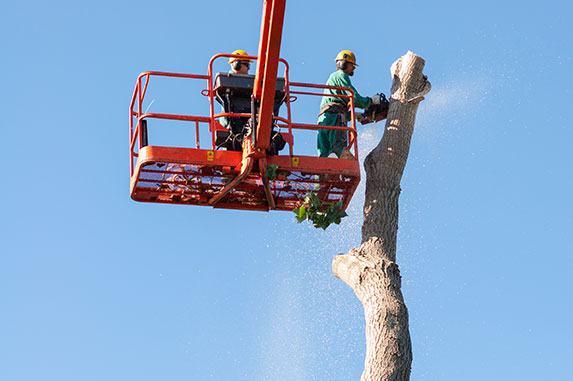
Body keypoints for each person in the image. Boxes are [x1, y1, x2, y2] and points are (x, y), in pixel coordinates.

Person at [317, 50, 382, 158]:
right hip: (335, 117)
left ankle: (321, 175)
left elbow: (335, 107)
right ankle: (334, 169)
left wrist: (355, 115)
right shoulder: (341, 75)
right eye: (352, 64)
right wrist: (371, 101)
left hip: (323, 119)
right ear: (344, 63)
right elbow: (353, 97)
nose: (354, 68)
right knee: (337, 151)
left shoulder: (332, 78)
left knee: (324, 155)